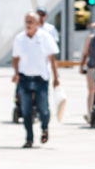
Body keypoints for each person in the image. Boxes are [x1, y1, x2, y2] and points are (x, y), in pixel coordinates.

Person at [12, 11, 60, 148]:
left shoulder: (45, 37)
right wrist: (16, 74)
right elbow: (15, 59)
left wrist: (56, 78)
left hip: (41, 78)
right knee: (26, 110)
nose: (29, 24)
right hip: (24, 78)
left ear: (38, 23)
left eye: (31, 21)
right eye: (27, 20)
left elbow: (52, 59)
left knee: (43, 109)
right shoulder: (19, 38)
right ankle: (29, 138)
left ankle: (45, 128)